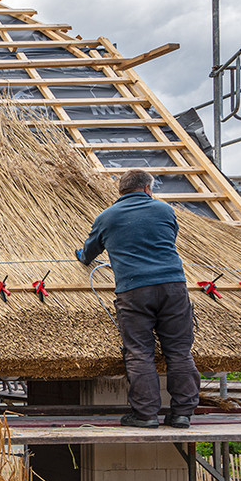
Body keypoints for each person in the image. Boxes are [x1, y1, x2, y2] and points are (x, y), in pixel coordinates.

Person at [76, 169, 200, 429]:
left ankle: (145, 415)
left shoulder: (106, 218)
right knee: (179, 351)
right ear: (147, 188)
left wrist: (81, 255)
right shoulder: (164, 211)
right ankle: (182, 414)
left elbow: (88, 253)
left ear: (121, 192)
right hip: (173, 286)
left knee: (139, 353)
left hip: (134, 290)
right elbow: (169, 239)